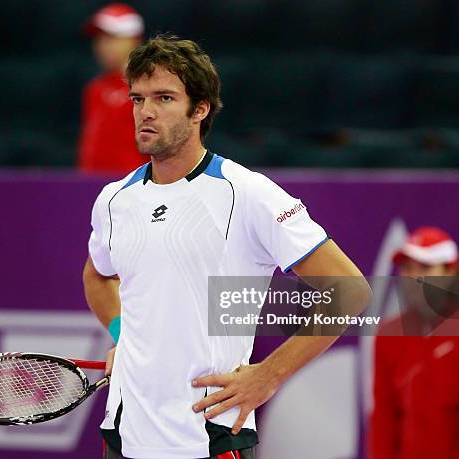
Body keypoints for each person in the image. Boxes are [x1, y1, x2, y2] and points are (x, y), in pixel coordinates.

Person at [83, 35, 372, 459]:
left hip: (210, 439)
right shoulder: (114, 199)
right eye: (137, 98)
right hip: (123, 437)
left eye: (164, 98)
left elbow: (351, 290)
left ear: (200, 109)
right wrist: (123, 334)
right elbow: (97, 275)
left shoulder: (248, 193)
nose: (145, 112)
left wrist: (268, 376)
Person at [369, 227, 459, 459]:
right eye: (407, 268)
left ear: (451, 271)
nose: (413, 277)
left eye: (425, 267)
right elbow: (384, 420)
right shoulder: (389, 334)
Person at [78, 3, 147, 173]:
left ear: (134, 40)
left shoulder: (151, 87)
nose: (102, 45)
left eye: (111, 38)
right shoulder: (95, 88)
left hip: (135, 187)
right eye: (99, 39)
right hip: (91, 188)